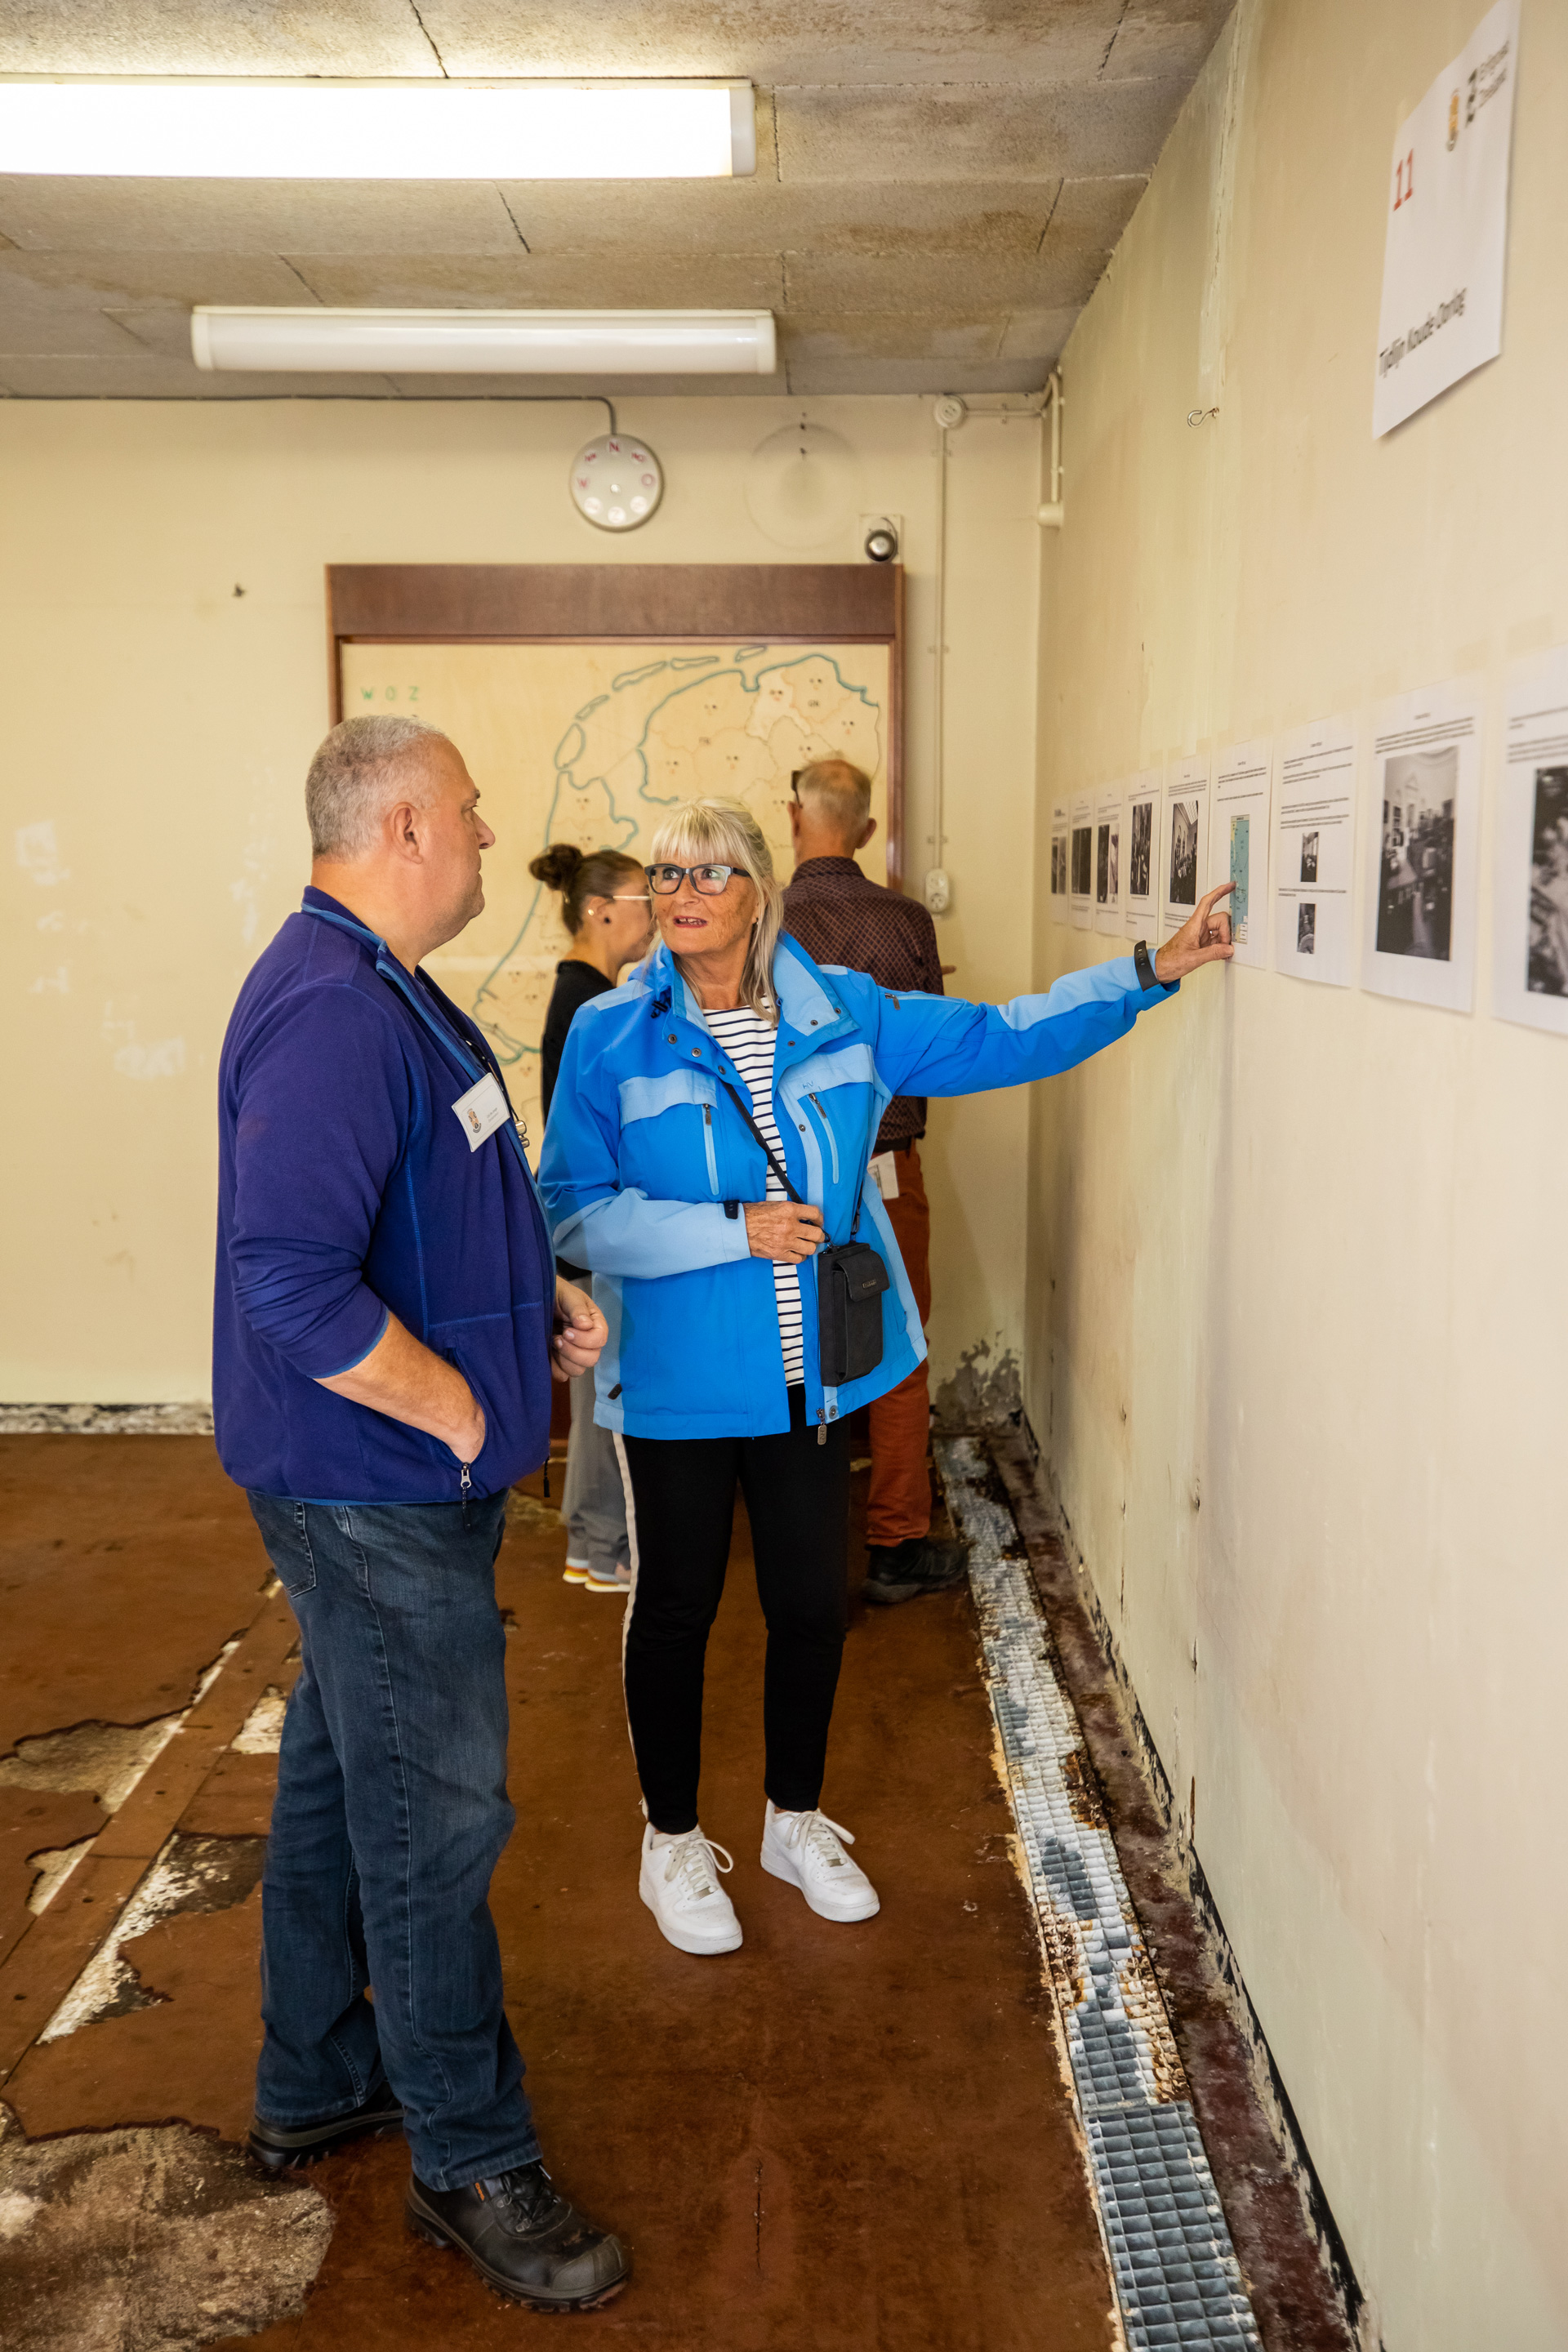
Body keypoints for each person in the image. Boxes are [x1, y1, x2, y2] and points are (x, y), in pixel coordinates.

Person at [539, 795, 1232, 1960]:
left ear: (758, 891)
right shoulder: (614, 1034)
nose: (682, 897)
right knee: (676, 1612)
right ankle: (670, 1841)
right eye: (665, 879)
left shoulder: (844, 1015)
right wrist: (733, 1230)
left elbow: (1002, 1035)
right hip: (674, 1385)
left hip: (812, 1382)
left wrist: (1145, 971)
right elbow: (574, 1208)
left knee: (813, 1608)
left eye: (707, 875)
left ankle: (793, 1823)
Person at [214, 714, 628, 2314]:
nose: (480, 829)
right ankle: (469, 2155)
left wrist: (539, 1300)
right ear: (398, 829)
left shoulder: (380, 984)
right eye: (464, 809)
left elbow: (433, 1195)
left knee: (340, 1768)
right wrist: (464, 1404)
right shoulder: (330, 1009)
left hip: (376, 1484)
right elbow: (289, 1281)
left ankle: (317, 2074)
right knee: (436, 1825)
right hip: (375, 1489)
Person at [781, 757, 960, 1606]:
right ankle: (895, 1546)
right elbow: (932, 1047)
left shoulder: (760, 920)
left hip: (778, 1183)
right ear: (865, 828)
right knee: (897, 1353)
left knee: (785, 1347)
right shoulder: (906, 920)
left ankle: (798, 1556)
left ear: (793, 818)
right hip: (885, 1172)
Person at [532, 842, 654, 1595]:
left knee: (595, 1386)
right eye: (646, 898)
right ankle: (605, 1544)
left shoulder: (585, 989)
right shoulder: (587, 1001)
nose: (659, 913)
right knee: (604, 1386)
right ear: (599, 910)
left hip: (588, 1215)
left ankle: (594, 1541)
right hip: (593, 1215)